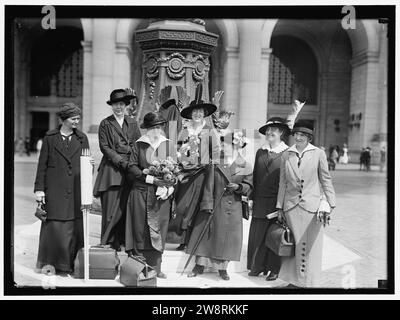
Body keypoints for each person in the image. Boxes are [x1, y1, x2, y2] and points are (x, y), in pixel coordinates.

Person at [34, 103, 94, 275]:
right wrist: (39, 189)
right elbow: (42, 166)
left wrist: (90, 165)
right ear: (64, 120)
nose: (77, 121)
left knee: (73, 228)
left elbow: (86, 166)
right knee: (54, 228)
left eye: (78, 119)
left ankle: (70, 265)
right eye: (73, 119)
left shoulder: (82, 138)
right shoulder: (50, 138)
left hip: (75, 190)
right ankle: (51, 265)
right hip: (54, 189)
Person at [185, 130, 253, 280]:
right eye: (222, 143)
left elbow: (249, 186)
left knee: (227, 239)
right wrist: (207, 203)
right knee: (206, 237)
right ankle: (199, 266)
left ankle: (222, 269)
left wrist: (239, 187)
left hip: (232, 207)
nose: (223, 146)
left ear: (236, 146)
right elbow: (208, 184)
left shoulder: (246, 165)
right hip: (214, 204)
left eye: (227, 143)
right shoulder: (216, 162)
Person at [276, 120, 336, 288]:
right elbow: (283, 183)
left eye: (302, 135)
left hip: (312, 207)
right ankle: (293, 281)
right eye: (296, 134)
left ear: (309, 137)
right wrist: (279, 206)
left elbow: (325, 179)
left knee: (309, 247)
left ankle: (307, 281)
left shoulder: (318, 154)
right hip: (290, 207)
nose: (298, 137)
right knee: (293, 245)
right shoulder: (286, 154)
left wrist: (330, 204)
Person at [167, 83, 220, 250]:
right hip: (184, 175)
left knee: (196, 207)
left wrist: (209, 164)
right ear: (190, 114)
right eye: (194, 112)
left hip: (201, 175)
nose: (197, 114)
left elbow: (216, 153)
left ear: (204, 114)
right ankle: (180, 239)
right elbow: (176, 150)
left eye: (200, 112)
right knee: (182, 205)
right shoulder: (184, 131)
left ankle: (192, 241)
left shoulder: (210, 131)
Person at [125, 112, 174, 279]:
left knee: (159, 229)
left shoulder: (167, 145)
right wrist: (151, 179)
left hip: (161, 197)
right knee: (141, 229)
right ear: (147, 129)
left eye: (159, 127)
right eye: (153, 127)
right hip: (141, 193)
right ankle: (140, 267)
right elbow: (131, 168)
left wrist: (169, 185)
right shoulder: (139, 145)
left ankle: (156, 267)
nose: (156, 130)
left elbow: (176, 169)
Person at [93, 88, 141, 250]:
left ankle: (123, 242)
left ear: (126, 105)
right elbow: (105, 147)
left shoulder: (133, 123)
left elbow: (137, 144)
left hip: (129, 171)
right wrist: (121, 161)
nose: (118, 107)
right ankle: (108, 243)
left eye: (121, 104)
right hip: (112, 171)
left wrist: (132, 163)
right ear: (111, 106)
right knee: (110, 211)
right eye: (115, 104)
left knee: (126, 209)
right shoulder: (105, 124)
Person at [247, 117, 290, 281]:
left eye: (274, 130)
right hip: (260, 200)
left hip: (277, 201)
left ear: (281, 133)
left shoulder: (287, 153)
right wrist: (251, 198)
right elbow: (256, 176)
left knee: (273, 235)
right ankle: (257, 266)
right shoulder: (261, 151)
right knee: (258, 235)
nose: (270, 133)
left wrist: (283, 205)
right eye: (268, 130)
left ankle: (274, 269)